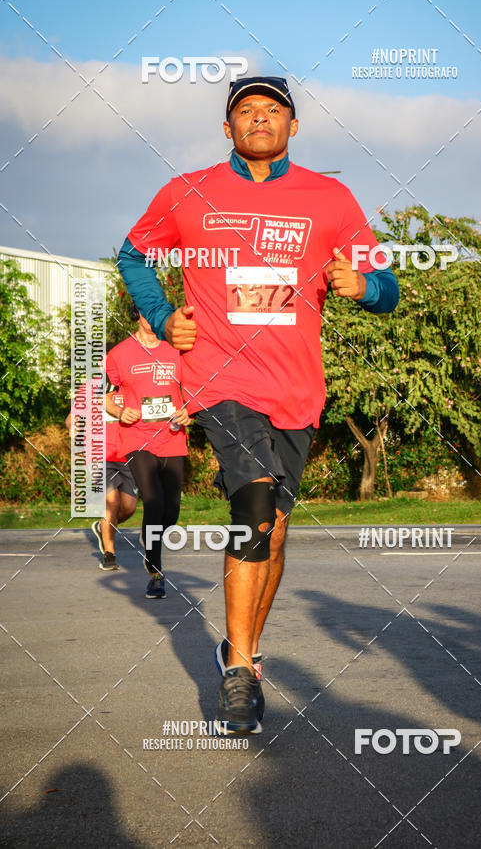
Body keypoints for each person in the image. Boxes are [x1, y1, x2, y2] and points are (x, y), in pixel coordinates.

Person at [117, 75, 399, 732]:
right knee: (253, 504)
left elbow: (389, 288)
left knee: (273, 530)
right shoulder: (189, 192)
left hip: (297, 391)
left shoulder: (331, 199)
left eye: (273, 110)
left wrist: (362, 284)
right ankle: (240, 673)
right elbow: (134, 254)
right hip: (219, 379)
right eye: (246, 111)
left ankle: (239, 649)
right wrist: (161, 316)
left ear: (293, 126)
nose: (260, 119)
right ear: (228, 128)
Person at [105, 304, 192, 598]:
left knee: (172, 509)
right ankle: (155, 570)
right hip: (137, 438)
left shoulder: (177, 350)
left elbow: (191, 391)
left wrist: (188, 411)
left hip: (172, 438)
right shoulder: (118, 354)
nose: (151, 319)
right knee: (153, 502)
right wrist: (120, 412)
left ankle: (149, 534)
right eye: (146, 313)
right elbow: (106, 398)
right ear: (138, 316)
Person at [66, 344, 138, 571]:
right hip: (98, 455)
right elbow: (72, 417)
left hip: (126, 455)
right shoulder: (90, 388)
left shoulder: (129, 388)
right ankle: (109, 553)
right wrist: (73, 426)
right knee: (111, 501)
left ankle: (103, 527)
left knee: (128, 507)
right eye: (100, 362)